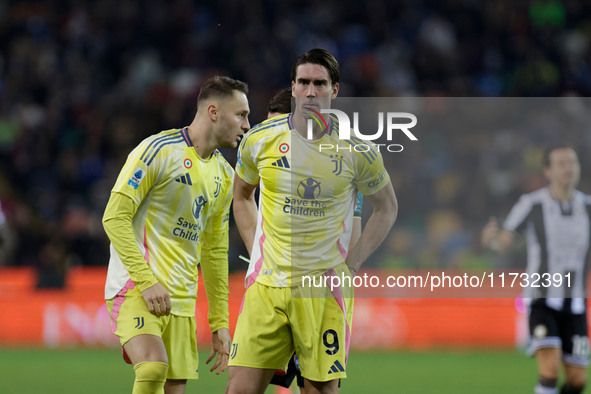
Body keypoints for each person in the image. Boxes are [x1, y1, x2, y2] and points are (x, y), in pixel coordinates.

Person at [226, 48, 397, 394]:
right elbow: (241, 196)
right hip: (267, 287)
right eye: (303, 82)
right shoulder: (260, 140)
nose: (310, 91)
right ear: (292, 87)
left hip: (322, 290)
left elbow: (387, 207)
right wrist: (255, 251)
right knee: (239, 390)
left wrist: (353, 261)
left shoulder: (358, 150)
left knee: (319, 390)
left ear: (335, 90)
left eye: (319, 83)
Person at [103, 76, 250, 394]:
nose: (247, 125)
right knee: (153, 366)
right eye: (240, 115)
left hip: (181, 301)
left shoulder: (225, 176)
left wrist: (219, 322)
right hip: (136, 288)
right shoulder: (158, 150)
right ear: (213, 112)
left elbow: (213, 251)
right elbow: (114, 217)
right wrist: (146, 280)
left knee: (173, 388)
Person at [263, 87, 365, 391]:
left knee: (316, 384)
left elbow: (355, 221)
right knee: (260, 379)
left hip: (321, 287)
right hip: (274, 284)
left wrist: (350, 270)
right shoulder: (270, 167)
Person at [482, 145, 590, 394]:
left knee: (577, 381)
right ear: (547, 171)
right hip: (541, 299)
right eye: (561, 163)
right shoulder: (531, 204)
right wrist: (491, 241)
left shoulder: (588, 206)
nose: (568, 168)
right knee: (550, 371)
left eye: (572, 162)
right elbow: (504, 242)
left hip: (576, 304)